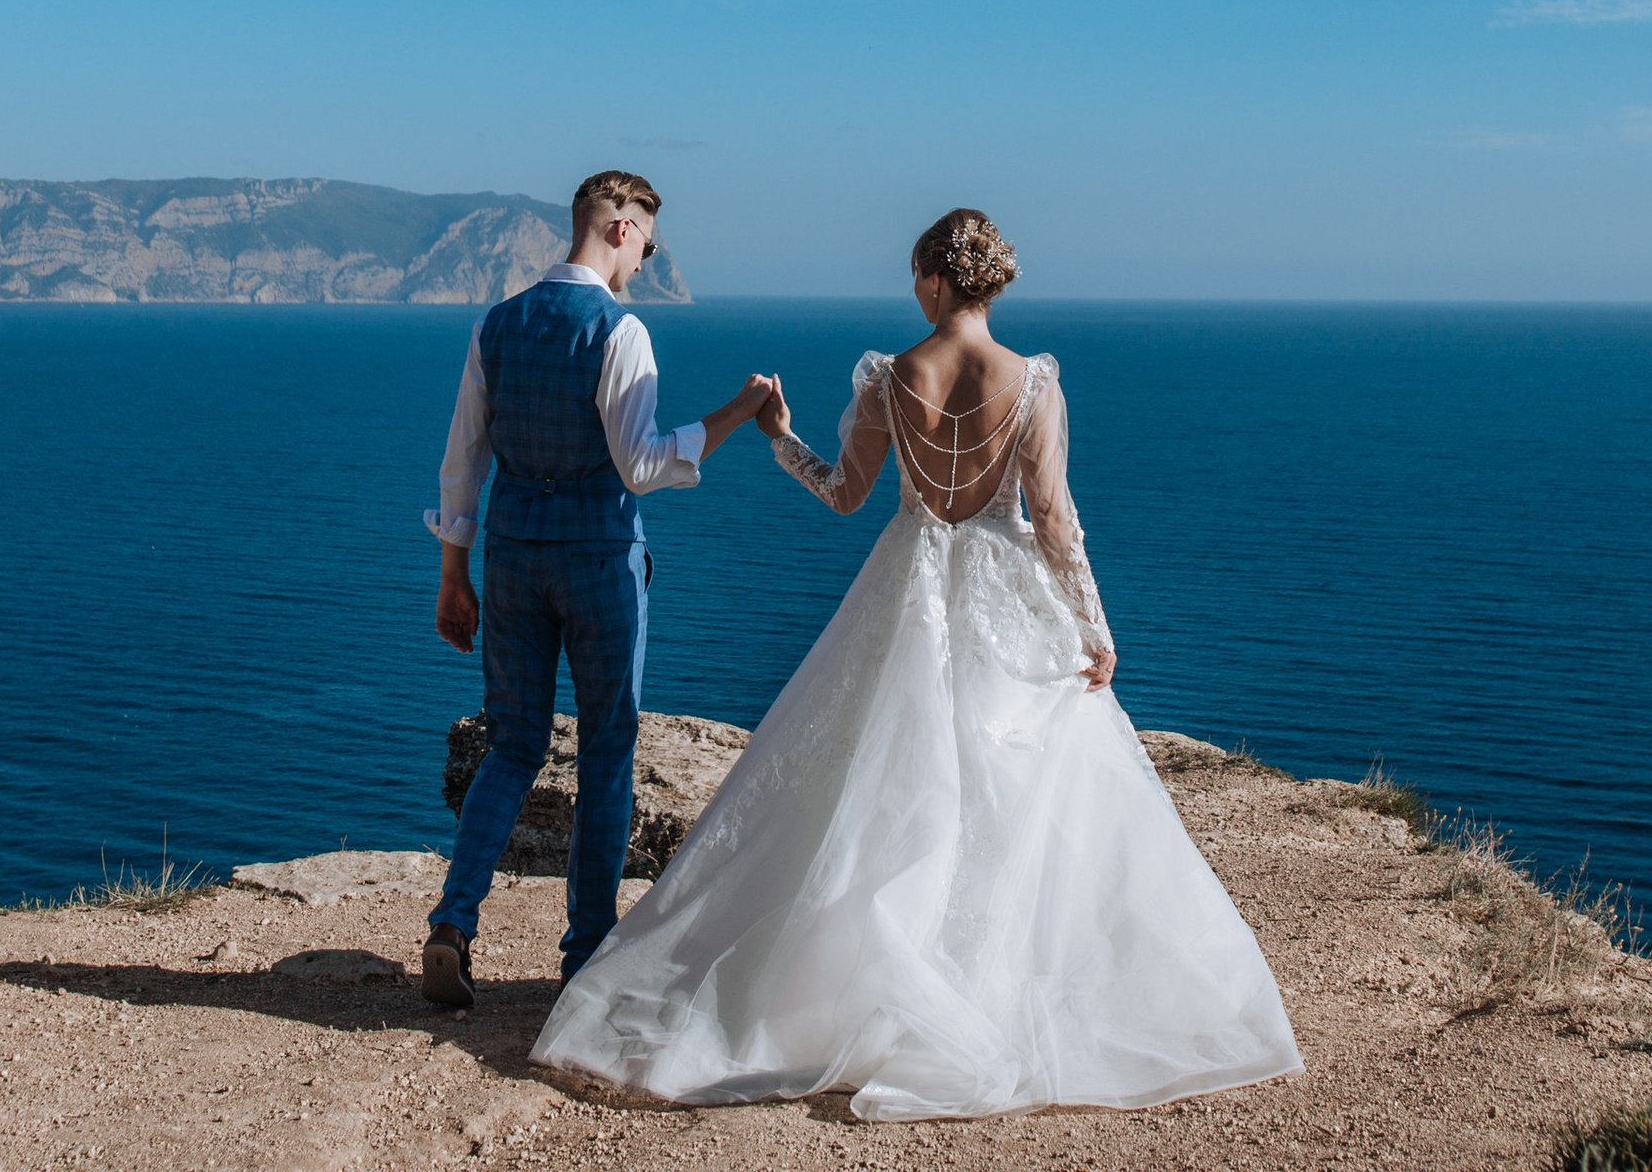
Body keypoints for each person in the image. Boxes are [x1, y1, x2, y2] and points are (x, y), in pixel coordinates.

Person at [531, 207, 1304, 1121]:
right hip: (1004, 596)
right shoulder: (1035, 384)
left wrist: (779, 434)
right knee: (1006, 783)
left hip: (906, 590)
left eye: (914, 277)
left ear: (938, 282)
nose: (912, 291)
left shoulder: (891, 378)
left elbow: (844, 495)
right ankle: (988, 983)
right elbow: (1052, 518)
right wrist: (1093, 627)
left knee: (882, 781)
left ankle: (855, 988)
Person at [421, 169, 772, 1010]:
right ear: (620, 229)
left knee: (512, 743)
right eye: (646, 246)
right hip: (600, 560)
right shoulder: (622, 332)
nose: (645, 265)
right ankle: (585, 955)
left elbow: (462, 461)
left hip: (510, 558)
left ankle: (453, 924)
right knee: (608, 750)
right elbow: (643, 465)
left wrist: (451, 578)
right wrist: (738, 409)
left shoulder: (496, 324)